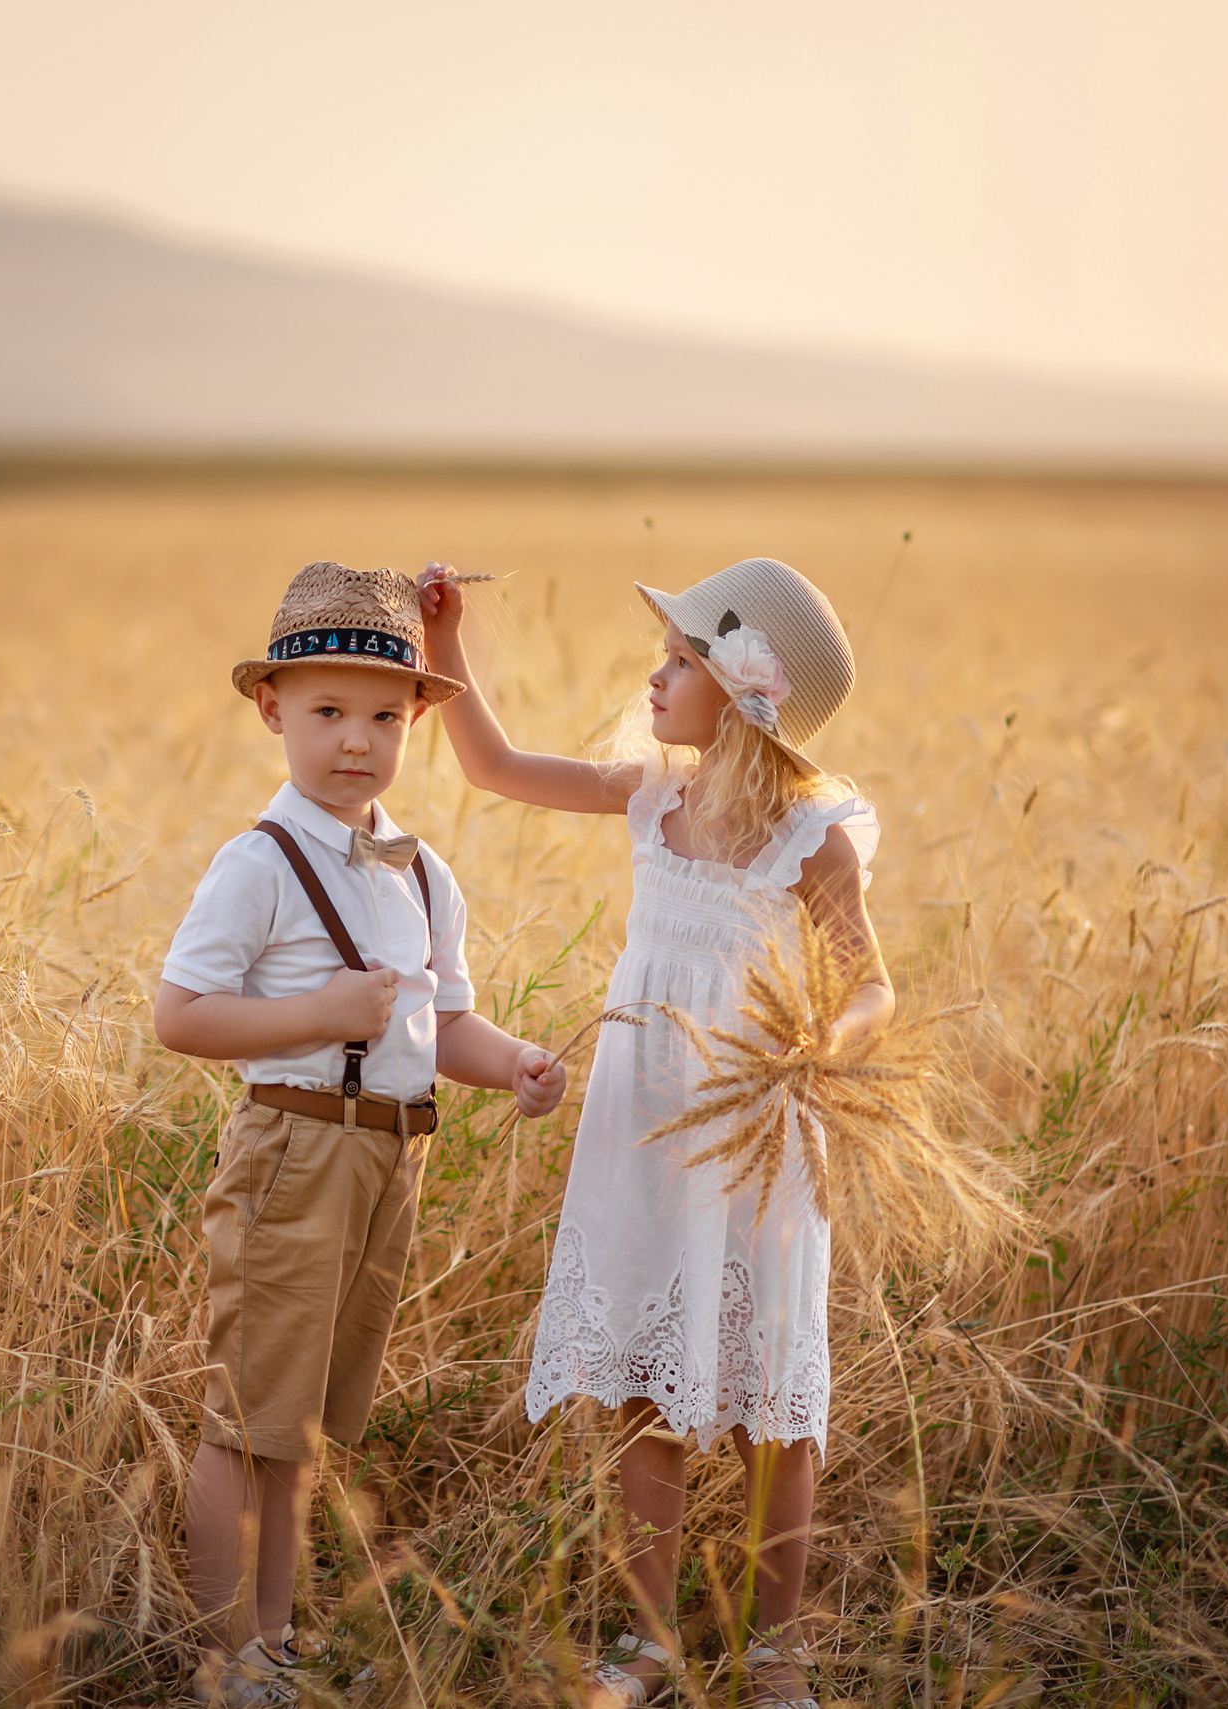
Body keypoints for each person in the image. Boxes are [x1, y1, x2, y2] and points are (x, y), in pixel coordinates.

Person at [418, 557, 891, 1709]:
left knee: (768, 1388)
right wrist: (448, 640)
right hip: (643, 1123)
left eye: (680, 660)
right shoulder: (649, 797)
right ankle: (646, 1644)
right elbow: (491, 766)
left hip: (752, 1125)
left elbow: (873, 984)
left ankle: (775, 1649)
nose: (654, 673)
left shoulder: (810, 836)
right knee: (645, 1377)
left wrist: (817, 1044)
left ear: (742, 693)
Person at [155, 560, 571, 1708]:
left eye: (385, 716)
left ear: (418, 721)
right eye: (328, 711)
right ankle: (224, 1653)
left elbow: (441, 1024)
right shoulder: (259, 862)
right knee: (247, 1417)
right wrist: (314, 1014)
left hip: (389, 1155)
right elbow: (179, 1014)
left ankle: (274, 1641)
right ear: (272, 708)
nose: (356, 740)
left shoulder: (424, 871)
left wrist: (516, 1064)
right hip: (293, 1149)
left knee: (305, 1426)